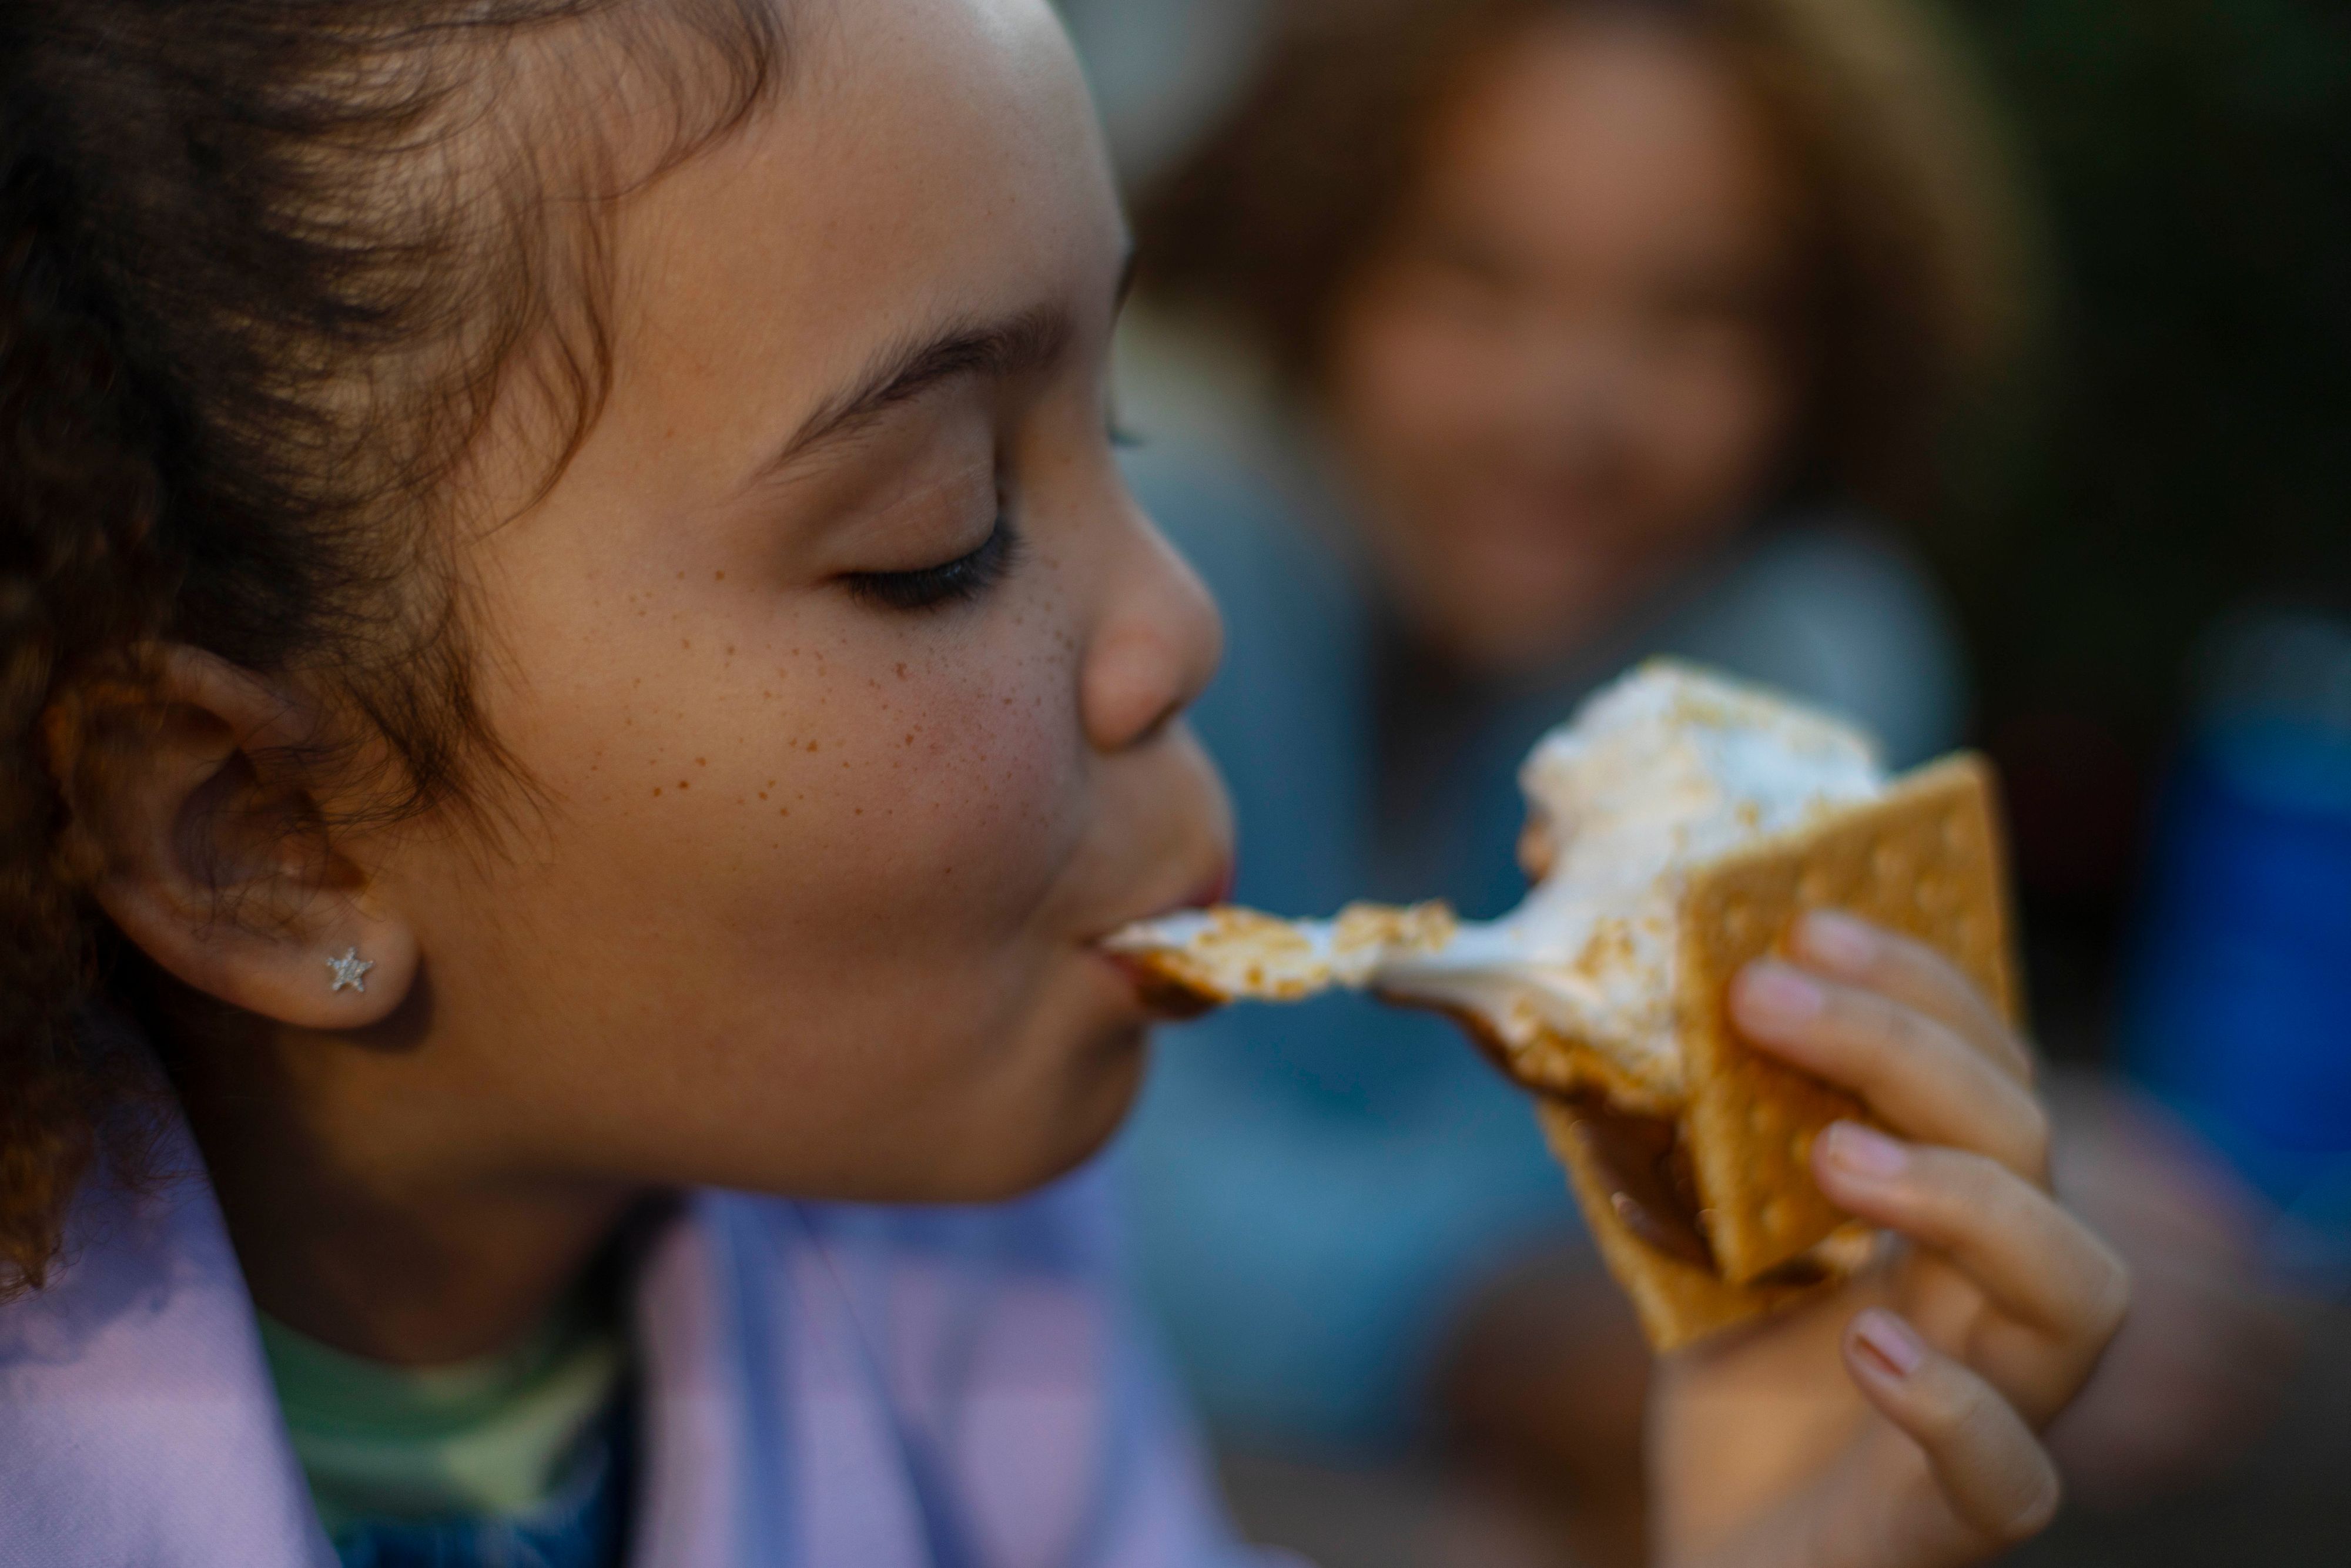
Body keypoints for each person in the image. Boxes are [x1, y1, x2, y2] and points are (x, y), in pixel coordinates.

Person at [0, 4, 2120, 1567]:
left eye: (1124, 428)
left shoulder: (968, 1269)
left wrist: (1765, 1529)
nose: (1178, 617)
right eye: (936, 531)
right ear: (262, 839)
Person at [1110, 0, 2027, 1503]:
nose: (1567, 411)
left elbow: (1744, 1196)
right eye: (1470, 280)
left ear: (1826, 346)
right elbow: (1042, 1166)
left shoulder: (1810, 652)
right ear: (1313, 266)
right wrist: (1492, 1321)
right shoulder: (1161, 555)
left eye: (1701, 313)